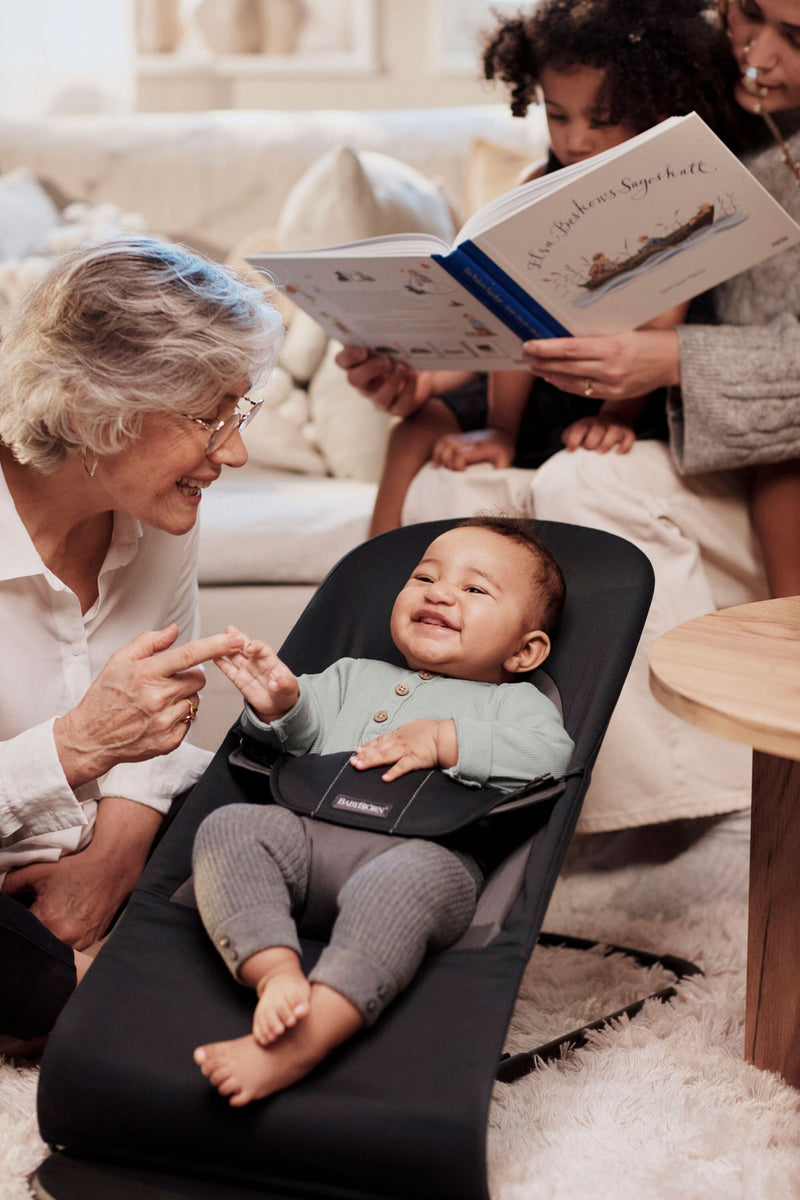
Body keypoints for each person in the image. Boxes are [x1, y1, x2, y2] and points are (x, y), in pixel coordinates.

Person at [0, 236, 284, 1053]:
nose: (234, 450)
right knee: (44, 981)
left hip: (85, 849)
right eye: (210, 416)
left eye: (241, 409)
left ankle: (105, 980)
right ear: (96, 414)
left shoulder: (160, 517)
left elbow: (159, 736)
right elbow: (104, 741)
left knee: (293, 807)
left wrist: (110, 862)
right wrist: (75, 745)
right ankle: (96, 991)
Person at [191, 517, 574, 1106]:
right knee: (230, 828)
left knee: (404, 886)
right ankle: (274, 971)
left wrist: (447, 739)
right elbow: (294, 733)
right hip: (309, 841)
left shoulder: (516, 704)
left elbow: (552, 756)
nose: (439, 592)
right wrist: (280, 706)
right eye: (425, 576)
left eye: (475, 590)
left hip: (424, 858)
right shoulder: (352, 677)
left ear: (525, 651)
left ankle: (313, 1032)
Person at [364, 0, 743, 537]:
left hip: (640, 394)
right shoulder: (538, 182)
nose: (575, 140)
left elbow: (655, 332)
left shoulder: (675, 194)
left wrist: (615, 417)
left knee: (590, 457)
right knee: (414, 428)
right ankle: (362, 582)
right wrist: (500, 429)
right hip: (541, 377)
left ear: (653, 107)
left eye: (603, 119)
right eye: (558, 114)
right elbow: (512, 321)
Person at [518, 0, 800, 598]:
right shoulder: (674, 76)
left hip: (771, 455)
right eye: (748, 15)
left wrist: (672, 359)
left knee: (586, 484)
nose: (757, 54)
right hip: (706, 443)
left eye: (796, 38)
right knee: (455, 484)